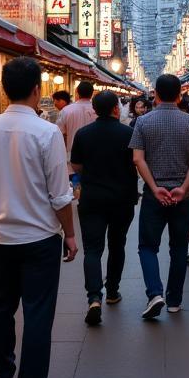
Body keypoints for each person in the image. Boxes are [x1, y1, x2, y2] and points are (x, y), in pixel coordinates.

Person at [0, 57, 77, 378]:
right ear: (37, 90)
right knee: (38, 314)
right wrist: (71, 234)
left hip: (0, 238)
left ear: (2, 89)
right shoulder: (46, 133)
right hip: (40, 239)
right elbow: (60, 195)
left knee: (1, 308)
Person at [130, 73, 189, 319]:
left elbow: (137, 159)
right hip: (182, 198)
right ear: (179, 95)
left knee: (147, 247)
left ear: (155, 93)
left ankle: (155, 293)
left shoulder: (143, 122)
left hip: (155, 197)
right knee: (178, 248)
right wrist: (184, 187)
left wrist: (154, 187)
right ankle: (174, 300)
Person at [71, 90, 138, 325]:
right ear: (116, 109)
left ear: (94, 110)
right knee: (117, 245)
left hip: (92, 199)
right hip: (122, 199)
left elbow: (76, 165)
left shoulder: (83, 134)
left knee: (92, 249)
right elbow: (137, 163)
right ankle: (112, 292)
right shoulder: (128, 133)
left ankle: (93, 298)